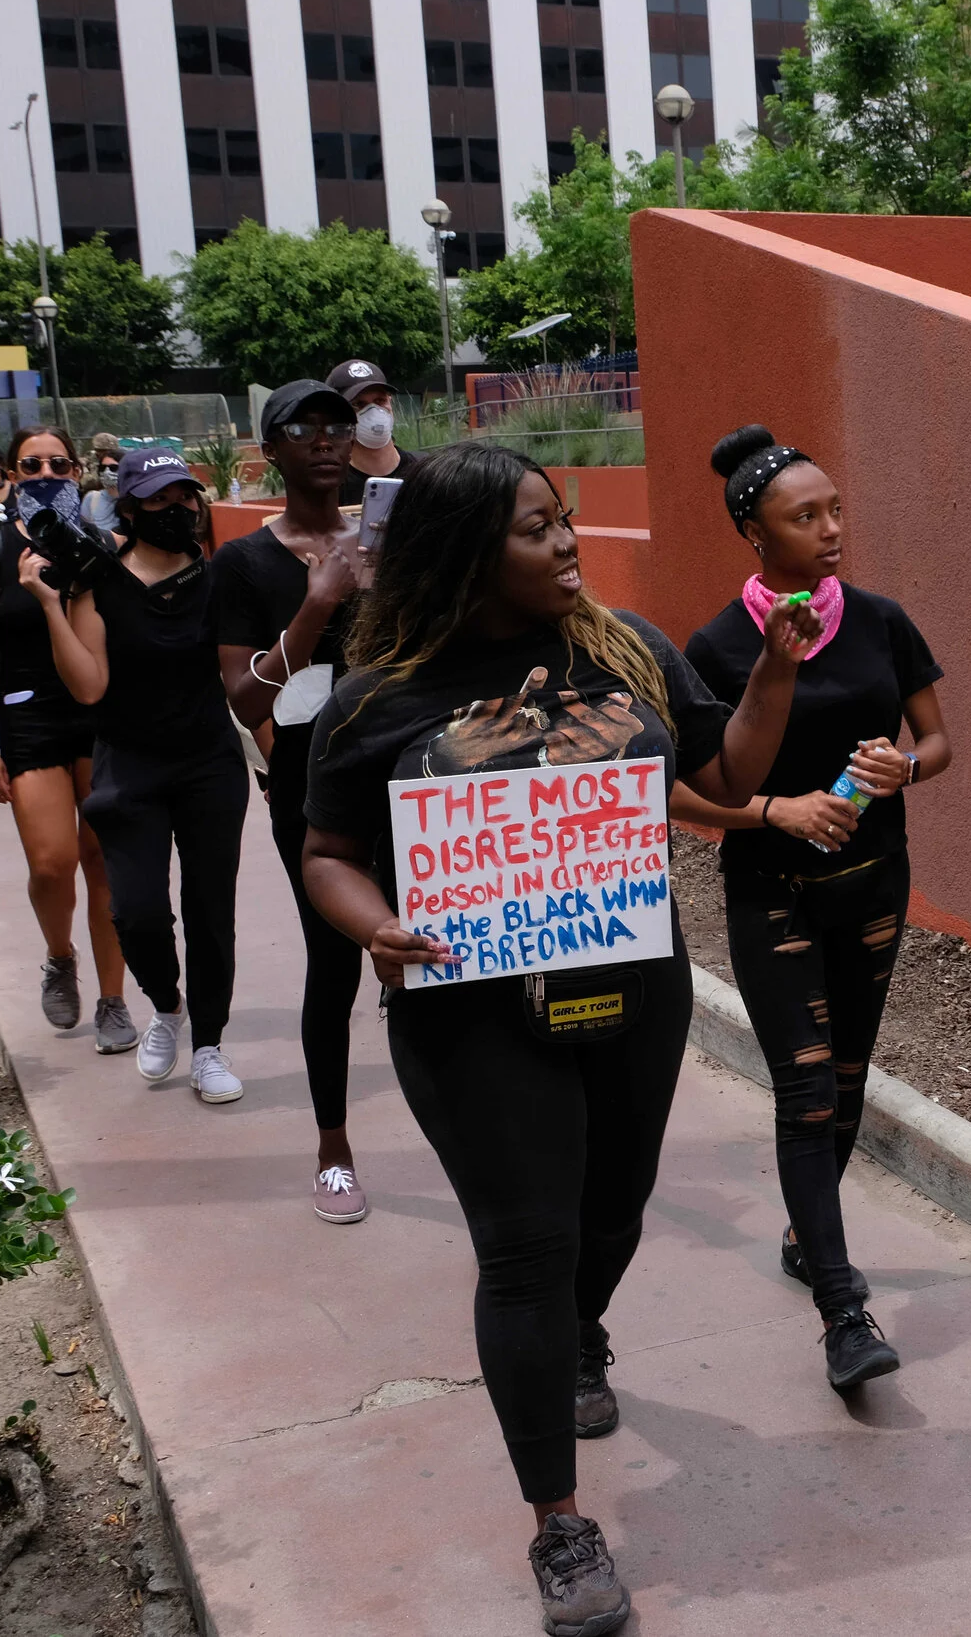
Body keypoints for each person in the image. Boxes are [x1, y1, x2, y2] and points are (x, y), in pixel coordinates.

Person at [298, 441, 820, 1637]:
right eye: (538, 528)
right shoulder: (380, 696)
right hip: (469, 1011)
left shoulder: (624, 646)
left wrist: (774, 678)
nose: (569, 540)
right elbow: (326, 854)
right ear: (469, 552)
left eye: (566, 518)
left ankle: (575, 1334)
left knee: (613, 1212)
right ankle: (560, 1523)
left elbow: (729, 770)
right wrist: (377, 925)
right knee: (526, 1248)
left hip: (630, 987)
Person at [674, 425, 951, 1391]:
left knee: (849, 1076)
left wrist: (903, 763)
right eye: (806, 516)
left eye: (836, 510)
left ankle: (805, 1236)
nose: (832, 529)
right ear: (756, 532)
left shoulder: (880, 620)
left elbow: (939, 740)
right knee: (806, 1091)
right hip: (772, 890)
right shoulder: (713, 647)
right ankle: (843, 1311)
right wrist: (773, 809)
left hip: (876, 883)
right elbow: (676, 788)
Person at [22, 447, 249, 1103]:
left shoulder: (218, 579)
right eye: (157, 498)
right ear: (128, 506)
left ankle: (207, 1043)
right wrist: (49, 603)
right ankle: (166, 1005)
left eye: (184, 495)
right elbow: (89, 687)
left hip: (209, 764)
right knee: (137, 910)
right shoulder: (101, 581)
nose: (174, 508)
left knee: (211, 911)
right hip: (130, 766)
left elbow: (244, 672)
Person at [213, 381, 372, 1221]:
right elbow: (244, 699)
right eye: (300, 426)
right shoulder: (243, 563)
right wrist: (317, 606)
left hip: (409, 777)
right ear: (267, 449)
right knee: (335, 959)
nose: (323, 437)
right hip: (311, 789)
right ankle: (334, 1146)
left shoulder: (391, 540)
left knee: (437, 952)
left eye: (335, 422)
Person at [0, 425, 133, 1050]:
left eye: (58, 462)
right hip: (30, 715)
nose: (46, 473)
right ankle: (60, 956)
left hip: (101, 715)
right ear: (11, 473)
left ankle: (114, 999)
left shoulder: (108, 545)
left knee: (103, 861)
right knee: (53, 862)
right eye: (31, 465)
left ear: (77, 469)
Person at [327, 358, 417, 507]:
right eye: (358, 404)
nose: (374, 411)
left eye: (380, 401)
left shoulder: (422, 472)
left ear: (390, 402)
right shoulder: (331, 486)